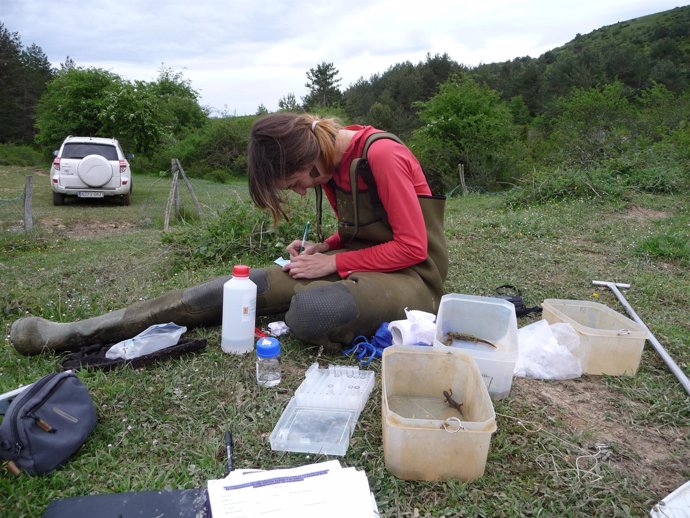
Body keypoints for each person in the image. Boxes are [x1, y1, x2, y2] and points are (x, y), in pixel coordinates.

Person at [10, 113, 447, 356]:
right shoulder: (330, 168)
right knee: (235, 287)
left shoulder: (382, 155)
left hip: (413, 278)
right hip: (361, 265)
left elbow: (412, 246)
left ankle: (326, 305)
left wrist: (333, 263)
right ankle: (78, 330)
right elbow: (359, 235)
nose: (300, 189)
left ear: (310, 154)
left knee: (313, 312)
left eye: (295, 182)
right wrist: (324, 247)